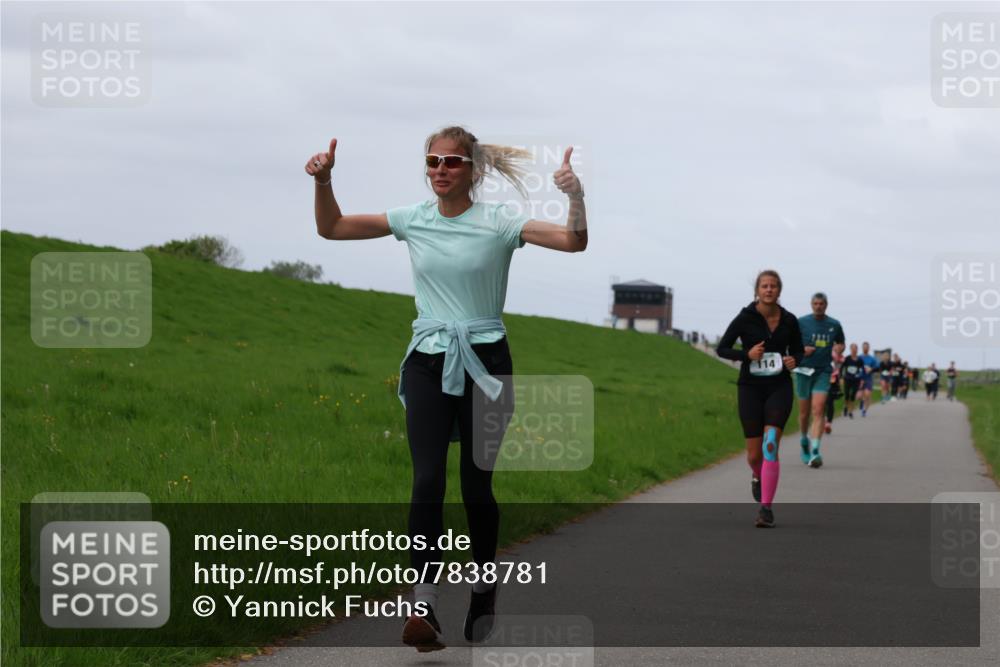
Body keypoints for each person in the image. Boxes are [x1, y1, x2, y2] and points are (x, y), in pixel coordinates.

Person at [305, 126, 588, 651]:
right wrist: (323, 182)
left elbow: (574, 242)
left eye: (452, 162)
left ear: (473, 170)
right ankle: (424, 600)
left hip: (487, 361)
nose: (440, 169)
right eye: (433, 160)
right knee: (427, 479)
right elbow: (334, 228)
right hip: (429, 360)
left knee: (476, 486)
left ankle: (483, 585)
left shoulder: (501, 221)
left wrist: (575, 197)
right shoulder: (414, 219)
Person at [717, 270, 804, 528]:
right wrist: (747, 355)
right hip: (750, 388)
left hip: (779, 387)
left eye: (773, 286)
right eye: (764, 286)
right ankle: (758, 475)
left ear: (779, 290)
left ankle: (766, 509)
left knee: (769, 446)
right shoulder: (745, 318)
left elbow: (798, 350)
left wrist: (795, 360)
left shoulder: (789, 320)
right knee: (755, 457)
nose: (769, 290)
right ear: (757, 290)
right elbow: (722, 348)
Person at [796, 293, 845, 468]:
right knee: (804, 413)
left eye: (821, 303)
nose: (818, 306)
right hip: (803, 371)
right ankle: (803, 439)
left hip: (823, 371)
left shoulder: (834, 324)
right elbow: (790, 344)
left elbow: (841, 343)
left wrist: (839, 348)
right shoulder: (801, 322)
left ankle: (815, 450)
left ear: (826, 305)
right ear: (811, 304)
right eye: (815, 303)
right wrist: (802, 350)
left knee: (818, 410)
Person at [839, 343, 865, 418]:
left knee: (853, 395)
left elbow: (862, 370)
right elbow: (841, 368)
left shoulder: (860, 360)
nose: (854, 350)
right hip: (847, 379)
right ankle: (845, 407)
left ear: (857, 350)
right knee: (847, 395)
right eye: (852, 349)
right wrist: (841, 377)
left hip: (856, 380)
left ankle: (850, 411)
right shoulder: (847, 359)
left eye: (855, 349)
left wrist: (862, 379)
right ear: (850, 350)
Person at [824, 350, 843, 433]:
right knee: (821, 403)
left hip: (833, 381)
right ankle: (823, 420)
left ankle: (828, 423)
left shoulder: (834, 351)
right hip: (821, 378)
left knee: (829, 401)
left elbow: (838, 364)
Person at [857, 341, 878, 417]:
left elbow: (877, 368)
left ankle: (864, 411)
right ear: (862, 348)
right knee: (859, 396)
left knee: (867, 395)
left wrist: (871, 369)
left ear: (868, 348)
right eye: (864, 347)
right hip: (859, 379)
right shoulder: (859, 357)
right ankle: (862, 402)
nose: (865, 348)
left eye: (866, 347)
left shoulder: (872, 359)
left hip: (868, 379)